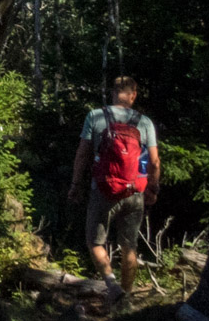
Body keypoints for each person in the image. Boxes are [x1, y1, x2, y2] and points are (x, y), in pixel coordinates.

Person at [68, 76, 160, 297]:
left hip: (103, 189)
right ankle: (125, 297)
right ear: (133, 94)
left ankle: (112, 286)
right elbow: (155, 162)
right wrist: (152, 189)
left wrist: (75, 184)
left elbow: (83, 154)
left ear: (113, 93)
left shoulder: (96, 116)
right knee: (130, 247)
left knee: (95, 242)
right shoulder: (144, 122)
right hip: (134, 191)